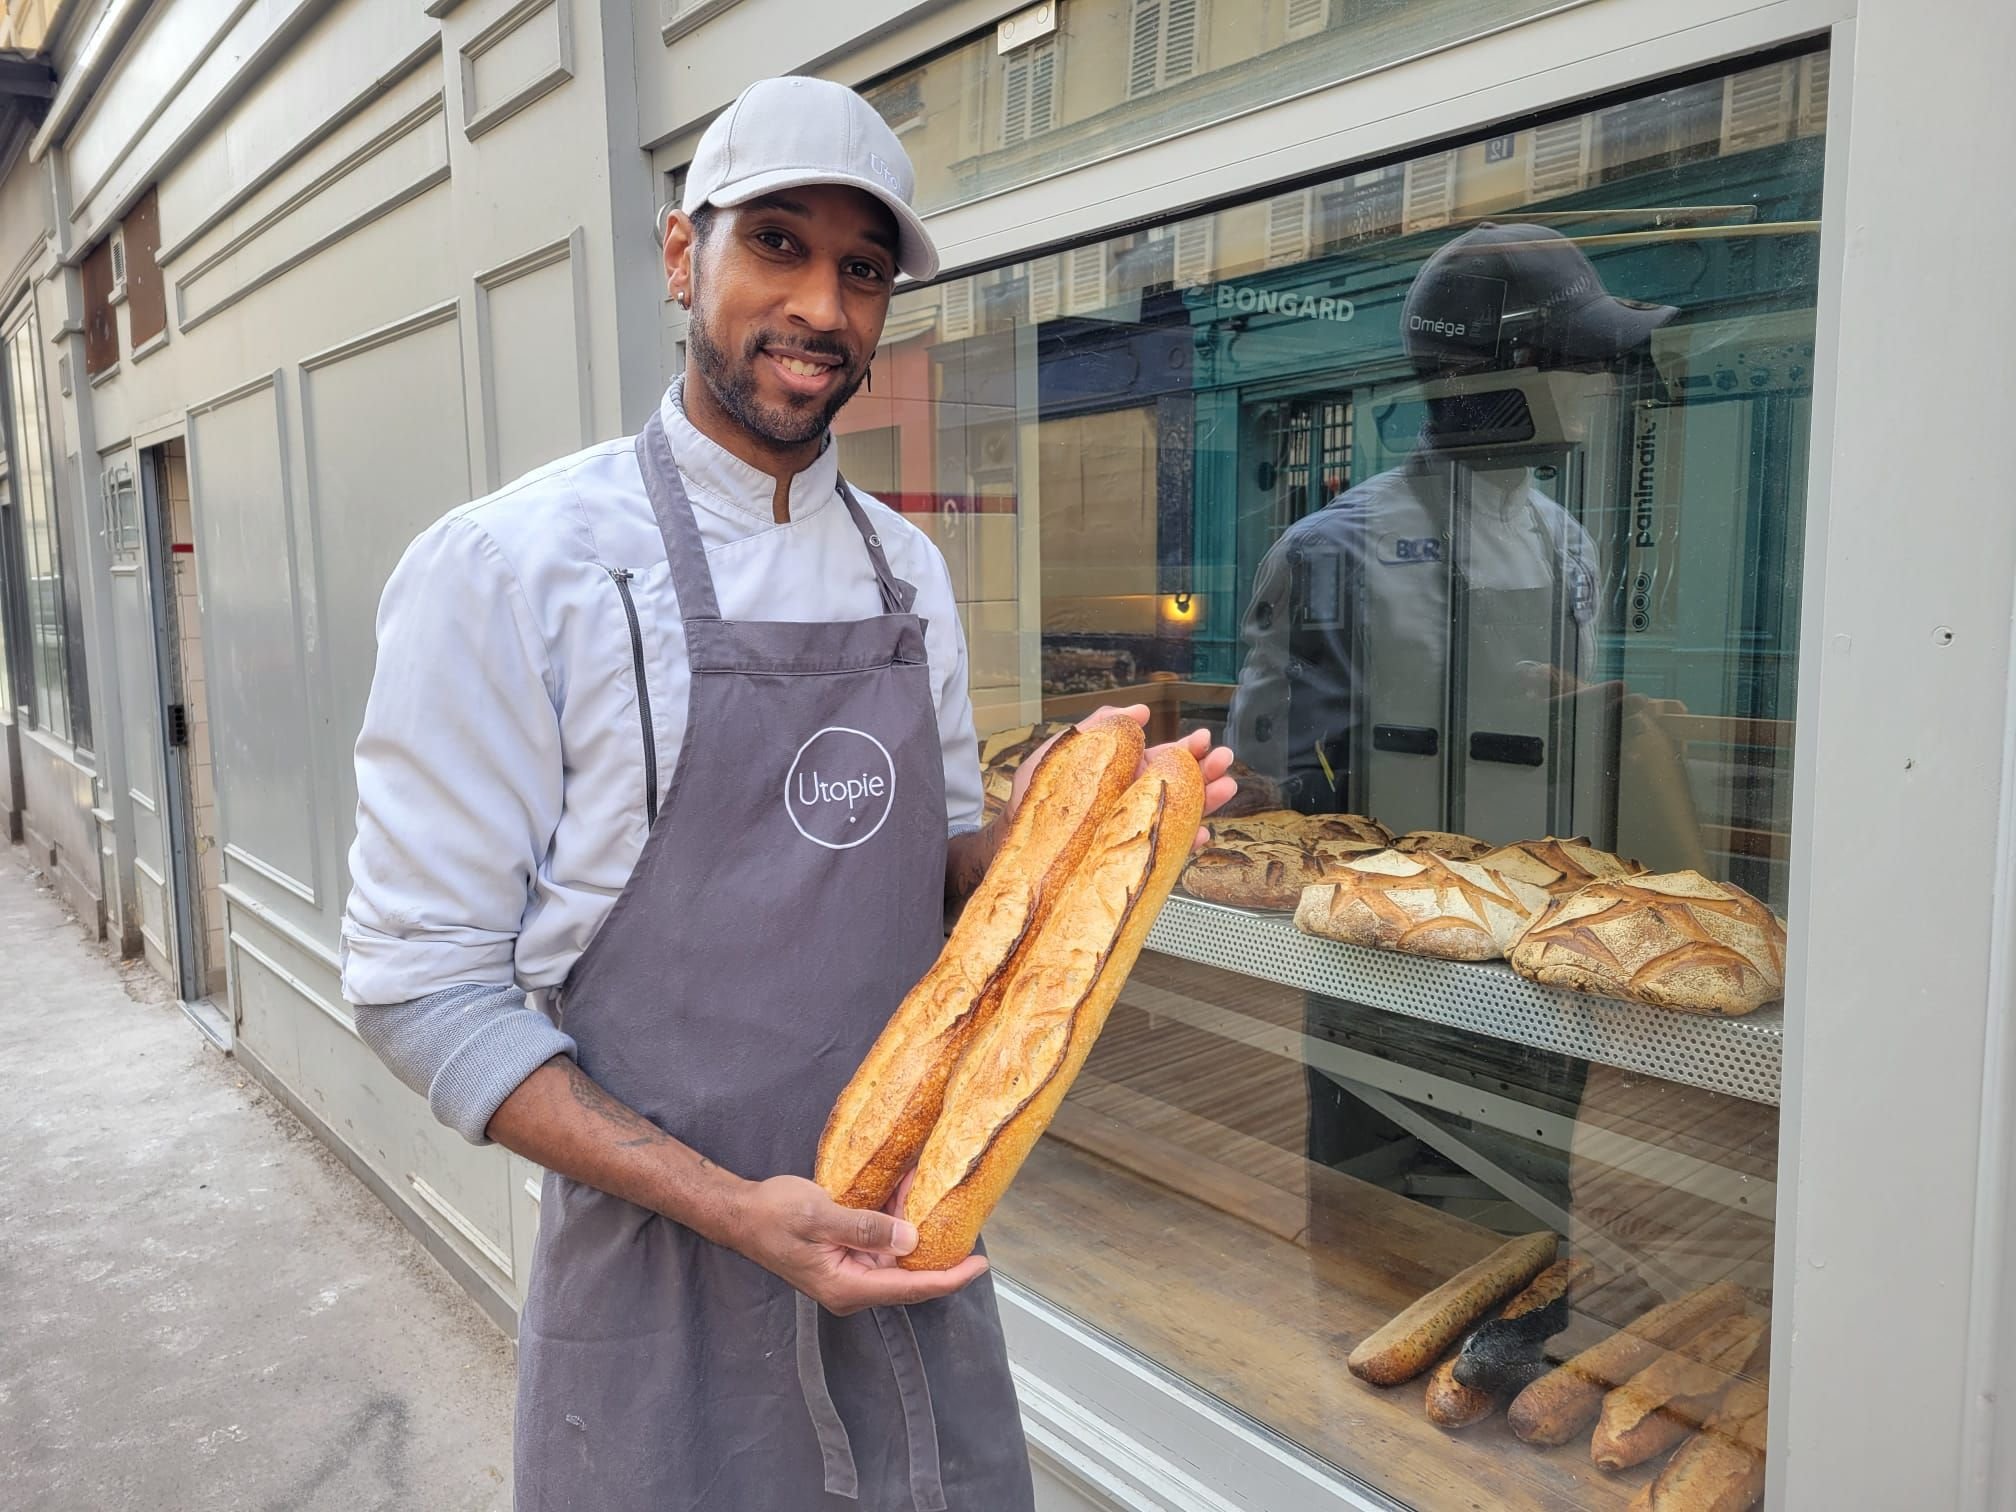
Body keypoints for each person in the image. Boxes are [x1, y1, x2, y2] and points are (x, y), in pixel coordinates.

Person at [338, 75, 1235, 1512]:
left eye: (863, 270)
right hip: (661, 1278)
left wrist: (1085, 840)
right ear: (684, 258)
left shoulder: (905, 572)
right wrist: (740, 1213)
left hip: (903, 1241)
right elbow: (418, 991)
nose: (821, 304)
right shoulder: (511, 569)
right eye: (779, 244)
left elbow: (940, 870)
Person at [1222, 222, 1676, 1230]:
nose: (1604, 389)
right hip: (1382, 975)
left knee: (1530, 1204)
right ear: (1497, 375)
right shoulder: (1333, 553)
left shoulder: (1567, 540)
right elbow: (1270, 800)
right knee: (1374, 1219)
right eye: (1584, 364)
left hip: (1541, 965)